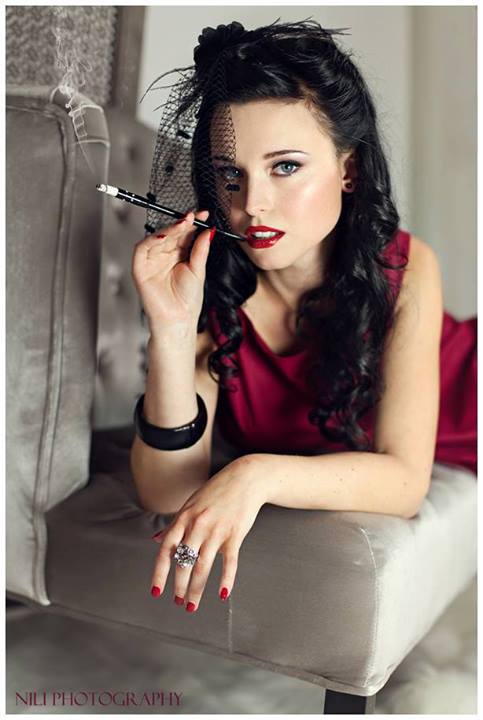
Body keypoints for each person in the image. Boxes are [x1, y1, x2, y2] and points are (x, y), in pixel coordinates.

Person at [130, 19, 477, 613]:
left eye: (285, 166)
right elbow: (166, 490)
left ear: (348, 170)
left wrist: (257, 475)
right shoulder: (207, 289)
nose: (252, 204)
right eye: (230, 174)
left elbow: (403, 483)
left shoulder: (405, 266)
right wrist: (170, 329)